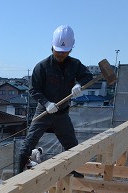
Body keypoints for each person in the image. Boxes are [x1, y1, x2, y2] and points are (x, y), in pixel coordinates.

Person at [17, 25, 93, 173]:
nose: (60, 55)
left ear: (70, 50)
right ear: (52, 47)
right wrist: (46, 103)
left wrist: (80, 84)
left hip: (62, 112)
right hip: (44, 111)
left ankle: (71, 170)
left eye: (64, 52)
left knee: (71, 144)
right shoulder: (42, 67)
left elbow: (88, 77)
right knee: (28, 144)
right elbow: (33, 89)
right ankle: (17, 175)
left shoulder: (75, 64)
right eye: (58, 51)